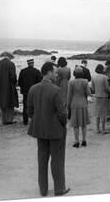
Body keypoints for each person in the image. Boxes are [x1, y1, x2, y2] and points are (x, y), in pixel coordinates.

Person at [27, 62, 70, 197]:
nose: (56, 74)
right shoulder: (56, 90)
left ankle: (43, 190)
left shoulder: (33, 89)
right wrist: (62, 124)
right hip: (56, 130)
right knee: (57, 160)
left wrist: (39, 120)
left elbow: (29, 110)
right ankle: (59, 189)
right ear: (49, 72)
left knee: (42, 159)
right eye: (55, 72)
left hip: (40, 129)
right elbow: (62, 113)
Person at [67, 66, 91, 148]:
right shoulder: (85, 81)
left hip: (74, 103)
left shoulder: (71, 82)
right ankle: (84, 140)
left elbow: (69, 95)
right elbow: (88, 93)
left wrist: (68, 106)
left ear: (74, 74)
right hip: (83, 103)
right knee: (84, 124)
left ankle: (76, 141)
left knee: (75, 124)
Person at [0, 56, 18, 125]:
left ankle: (3, 120)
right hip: (8, 87)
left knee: (2, 104)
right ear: (9, 57)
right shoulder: (11, 64)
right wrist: (15, 83)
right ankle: (9, 120)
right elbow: (13, 77)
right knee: (10, 103)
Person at [18, 59, 42, 125]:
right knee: (34, 106)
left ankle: (25, 121)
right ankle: (34, 120)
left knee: (25, 106)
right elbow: (40, 82)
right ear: (33, 63)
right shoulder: (36, 71)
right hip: (34, 92)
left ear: (27, 63)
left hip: (25, 92)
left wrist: (22, 88)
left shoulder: (22, 71)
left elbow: (19, 83)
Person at [91, 64, 110, 134]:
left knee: (97, 114)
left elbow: (92, 89)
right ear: (102, 69)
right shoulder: (105, 77)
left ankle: (97, 129)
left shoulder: (93, 77)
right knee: (103, 114)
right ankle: (103, 129)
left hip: (97, 96)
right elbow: (107, 88)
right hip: (104, 96)